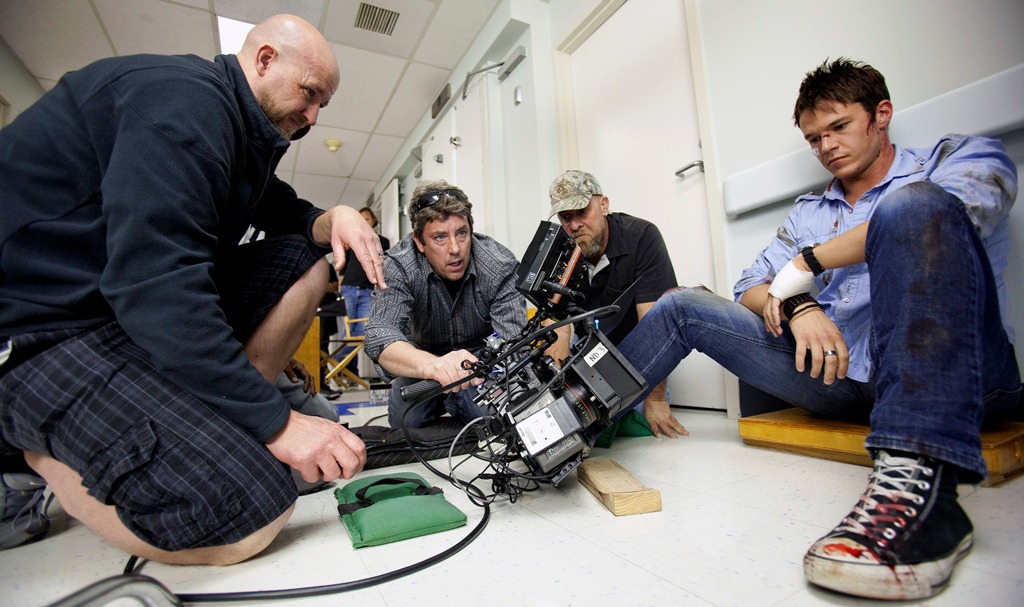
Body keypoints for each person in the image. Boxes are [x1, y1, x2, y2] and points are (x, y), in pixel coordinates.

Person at [615, 58, 1020, 600]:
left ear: (881, 115)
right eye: (813, 139)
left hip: (962, 383)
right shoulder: (810, 210)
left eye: (838, 128)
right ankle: (566, 426)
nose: (826, 146)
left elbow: (954, 216)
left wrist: (806, 265)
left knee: (914, 209)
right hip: (843, 381)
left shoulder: (956, 159)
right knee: (682, 304)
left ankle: (926, 500)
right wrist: (801, 305)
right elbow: (751, 287)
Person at [0, 15, 386, 564]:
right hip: (39, 328)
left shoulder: (236, 126)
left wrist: (334, 218)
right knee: (250, 517)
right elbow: (159, 289)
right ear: (265, 59)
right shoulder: (185, 104)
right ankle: (30, 454)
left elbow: (277, 207)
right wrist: (280, 425)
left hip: (115, 307)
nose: (313, 115)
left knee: (308, 261)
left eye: (323, 103)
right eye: (309, 93)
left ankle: (216, 426)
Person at [365, 180, 527, 429]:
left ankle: (460, 402)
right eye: (440, 237)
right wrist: (433, 366)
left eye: (461, 233)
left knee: (498, 420)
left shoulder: (499, 265)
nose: (455, 249)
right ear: (419, 242)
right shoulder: (398, 265)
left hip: (481, 363)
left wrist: (483, 372)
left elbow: (515, 344)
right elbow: (379, 335)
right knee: (405, 423)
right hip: (422, 362)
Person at [546, 170, 685, 439]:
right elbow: (557, 324)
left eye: (581, 212)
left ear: (604, 205)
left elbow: (655, 324)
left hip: (636, 352)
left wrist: (655, 401)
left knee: (624, 411)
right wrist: (556, 391)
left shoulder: (642, 236)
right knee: (573, 416)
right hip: (588, 350)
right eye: (565, 218)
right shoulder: (560, 252)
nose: (574, 225)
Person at [338, 207, 391, 377]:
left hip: (369, 289)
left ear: (374, 221)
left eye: (367, 219)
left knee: (361, 332)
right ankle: (350, 372)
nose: (364, 221)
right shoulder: (350, 239)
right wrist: (340, 285)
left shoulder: (382, 241)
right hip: (348, 288)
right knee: (346, 333)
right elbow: (343, 265)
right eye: (361, 218)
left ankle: (337, 364)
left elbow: (384, 265)